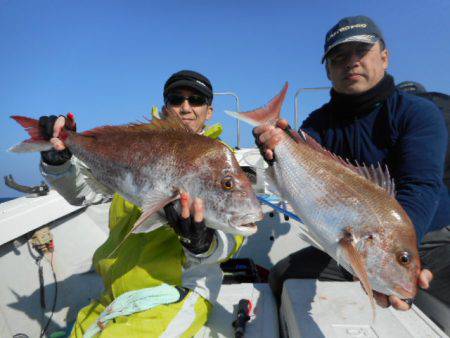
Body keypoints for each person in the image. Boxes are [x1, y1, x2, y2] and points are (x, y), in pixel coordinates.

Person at [254, 16, 450, 311]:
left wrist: (390, 259)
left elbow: (420, 187)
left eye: (360, 51)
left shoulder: (419, 113)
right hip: (357, 239)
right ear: (329, 71)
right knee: (284, 276)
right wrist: (274, 150)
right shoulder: (318, 123)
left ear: (384, 57)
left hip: (426, 236)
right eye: (338, 56)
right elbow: (298, 168)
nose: (351, 62)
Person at [39, 70, 243, 337]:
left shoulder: (224, 161)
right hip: (113, 295)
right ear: (165, 105)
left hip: (176, 294)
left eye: (196, 100)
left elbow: (236, 230)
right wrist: (59, 163)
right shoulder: (138, 147)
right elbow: (84, 193)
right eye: (176, 98)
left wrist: (203, 242)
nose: (186, 107)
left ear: (209, 111)